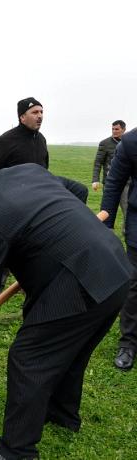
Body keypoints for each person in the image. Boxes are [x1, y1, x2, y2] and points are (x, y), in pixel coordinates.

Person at [0, 153, 129, 460]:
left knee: (29, 357)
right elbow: (78, 191)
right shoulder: (26, 171)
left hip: (80, 282)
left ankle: (16, 451)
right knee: (72, 351)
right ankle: (63, 415)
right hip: (115, 269)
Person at [0, 97, 88, 203]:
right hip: (19, 188)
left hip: (42, 182)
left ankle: (71, 218)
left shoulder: (41, 139)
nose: (40, 116)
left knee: (80, 190)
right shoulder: (5, 140)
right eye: (35, 112)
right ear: (22, 117)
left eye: (41, 112)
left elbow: (45, 166)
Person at [100, 127, 137, 371]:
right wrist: (106, 221)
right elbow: (114, 182)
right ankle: (128, 343)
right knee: (134, 284)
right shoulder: (132, 141)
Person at [92, 120, 128, 230]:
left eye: (117, 129)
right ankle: (106, 237)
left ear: (124, 129)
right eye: (113, 129)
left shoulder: (129, 143)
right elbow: (98, 163)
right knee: (107, 213)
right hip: (110, 184)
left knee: (129, 211)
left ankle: (128, 234)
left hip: (126, 184)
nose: (114, 131)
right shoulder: (105, 143)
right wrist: (95, 180)